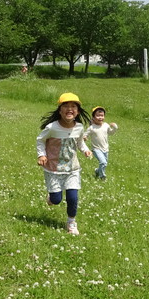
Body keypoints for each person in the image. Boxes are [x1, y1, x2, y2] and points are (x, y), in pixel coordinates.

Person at [37, 93, 92, 235]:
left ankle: (71, 223)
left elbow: (80, 143)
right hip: (53, 169)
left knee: (73, 197)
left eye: (73, 106)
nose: (69, 109)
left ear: (78, 111)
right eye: (66, 106)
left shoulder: (79, 127)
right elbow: (40, 140)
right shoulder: (52, 127)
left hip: (72, 168)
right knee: (56, 200)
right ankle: (52, 197)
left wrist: (86, 150)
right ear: (60, 110)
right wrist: (41, 155)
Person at [84, 106, 118, 180]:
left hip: (105, 148)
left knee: (104, 163)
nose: (100, 117)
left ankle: (97, 171)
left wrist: (115, 127)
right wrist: (85, 137)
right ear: (93, 117)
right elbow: (85, 135)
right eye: (98, 115)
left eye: (102, 115)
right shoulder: (91, 127)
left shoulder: (106, 125)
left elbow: (111, 133)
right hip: (96, 149)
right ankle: (102, 176)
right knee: (103, 162)